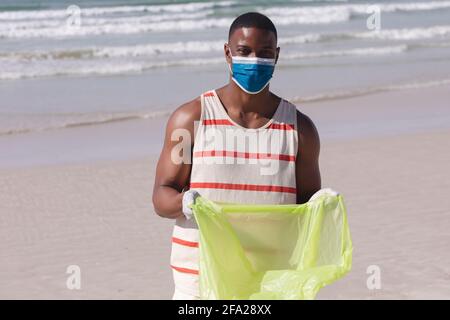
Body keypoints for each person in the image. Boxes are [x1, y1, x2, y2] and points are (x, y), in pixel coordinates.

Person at [152, 12, 321, 300]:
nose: (254, 60)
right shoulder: (190, 119)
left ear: (277, 56)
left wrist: (323, 206)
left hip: (268, 282)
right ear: (227, 53)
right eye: (244, 51)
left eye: (265, 53)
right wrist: (185, 202)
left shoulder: (299, 130)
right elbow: (161, 196)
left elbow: (305, 212)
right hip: (200, 281)